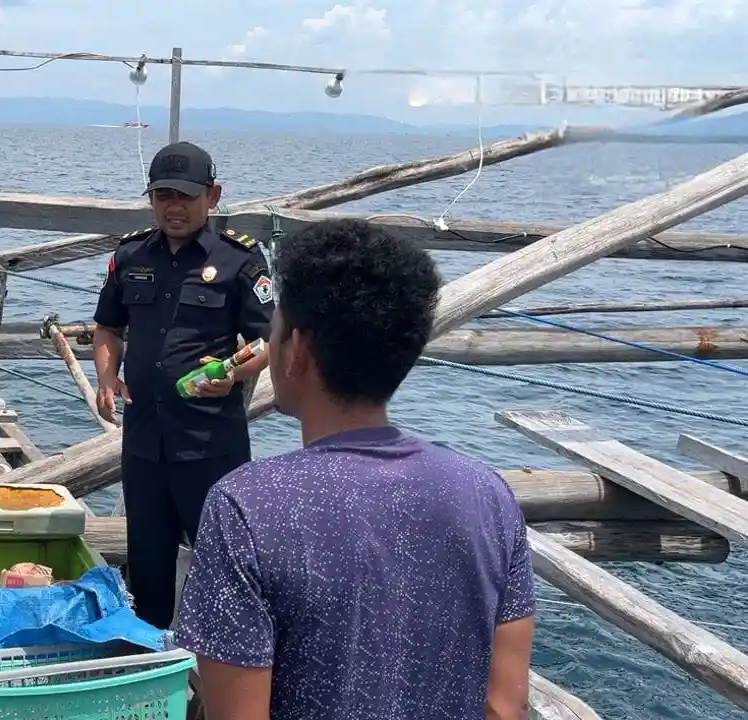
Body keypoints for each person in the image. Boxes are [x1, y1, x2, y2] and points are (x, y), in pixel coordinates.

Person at [173, 218, 536, 720]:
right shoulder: (489, 496)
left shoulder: (246, 507)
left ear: (296, 350)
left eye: (273, 330)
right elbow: (504, 706)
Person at [91, 141, 274, 630]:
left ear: (212, 196)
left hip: (211, 445)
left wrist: (234, 374)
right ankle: (152, 670)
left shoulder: (240, 259)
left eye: (186, 196)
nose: (173, 206)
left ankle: (218, 679)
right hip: (145, 445)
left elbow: (267, 342)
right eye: (162, 195)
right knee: (146, 568)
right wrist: (107, 377)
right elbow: (108, 326)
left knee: (224, 571)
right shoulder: (130, 254)